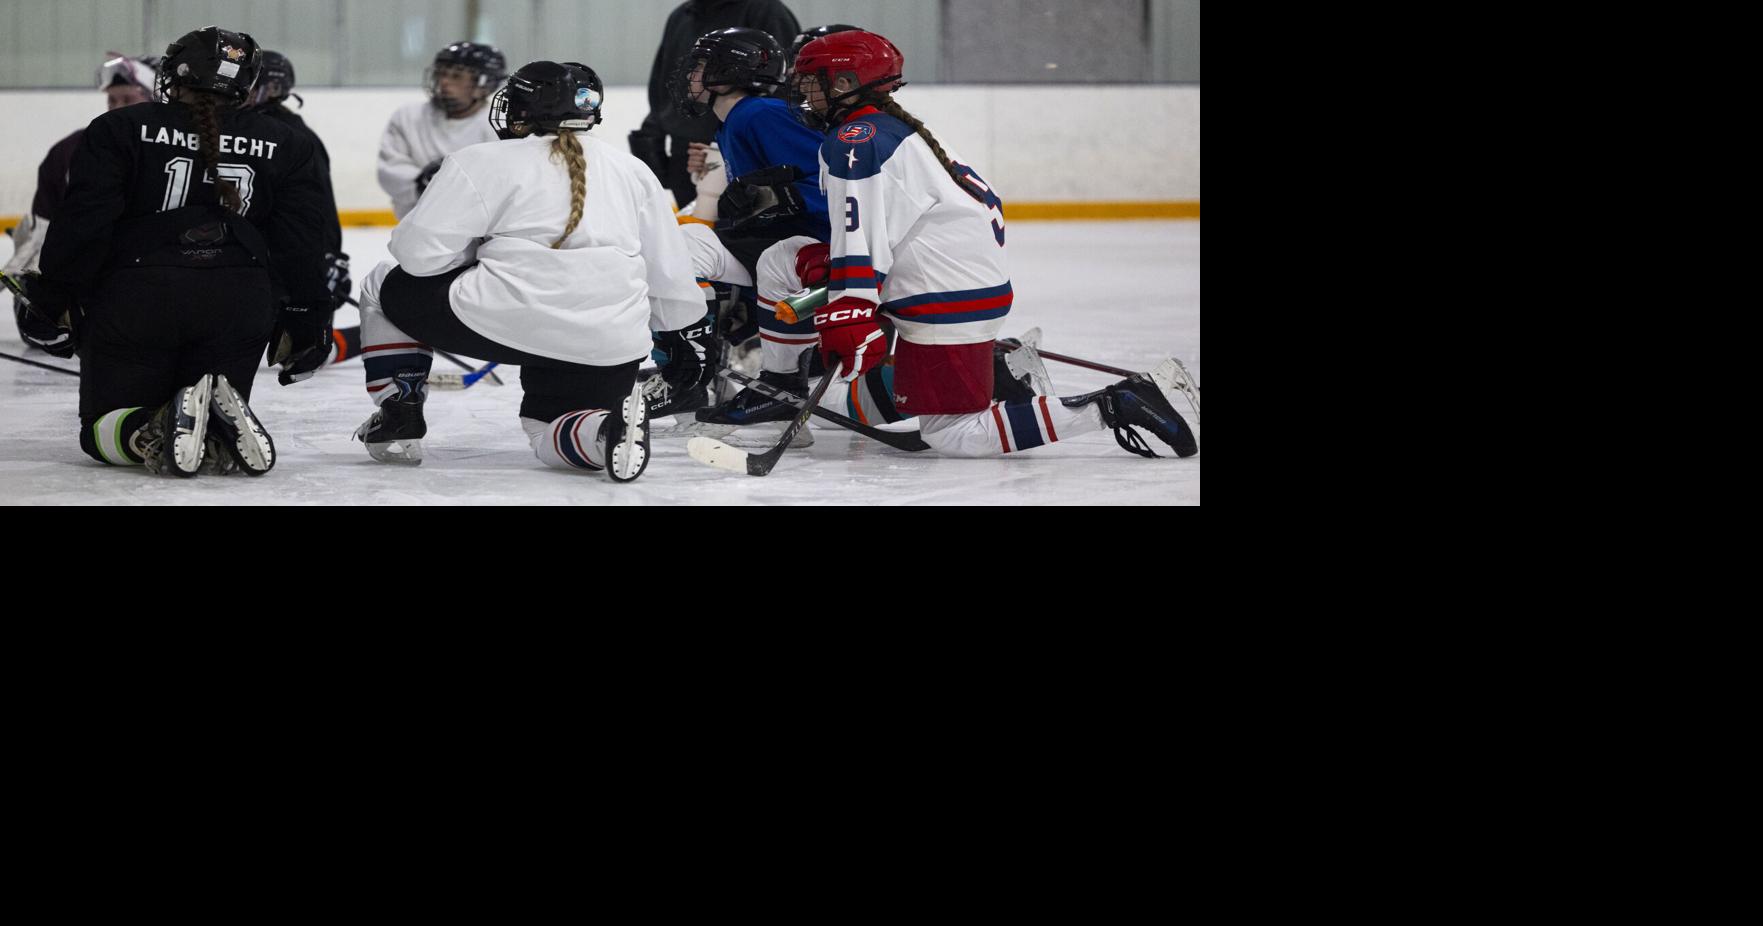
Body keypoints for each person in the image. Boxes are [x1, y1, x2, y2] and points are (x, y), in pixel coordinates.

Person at [775, 30, 1197, 459]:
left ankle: (1115, 404)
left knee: (955, 434)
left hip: (941, 299)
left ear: (844, 83)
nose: (803, 92)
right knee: (788, 270)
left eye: (811, 81)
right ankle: (993, 372)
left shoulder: (854, 142)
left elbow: (860, 237)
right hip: (955, 286)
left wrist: (853, 307)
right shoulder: (886, 128)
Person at [350, 61, 713, 481]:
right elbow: (670, 277)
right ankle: (605, 430)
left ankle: (401, 408)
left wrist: (473, 256)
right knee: (548, 431)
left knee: (383, 280)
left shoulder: (482, 160)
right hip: (611, 340)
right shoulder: (632, 170)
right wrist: (676, 339)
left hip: (500, 319)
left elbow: (417, 257)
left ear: (525, 109)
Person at [32, 25, 335, 477]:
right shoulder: (290, 142)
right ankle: (213, 426)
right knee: (201, 412)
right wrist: (308, 316)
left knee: (99, 431)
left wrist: (53, 297)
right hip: (240, 305)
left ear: (175, 73)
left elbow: (83, 225)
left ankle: (149, 427)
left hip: (137, 301)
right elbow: (303, 244)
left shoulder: (120, 127)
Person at [643, 26, 830, 422]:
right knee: (683, 245)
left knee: (685, 249)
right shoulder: (733, 121)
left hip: (805, 248)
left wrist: (792, 199)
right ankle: (687, 371)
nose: (690, 76)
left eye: (700, 66)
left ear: (729, 71)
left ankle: (691, 375)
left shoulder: (760, 113)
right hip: (771, 243)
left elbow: (834, 179)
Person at [5, 51, 160, 349]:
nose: (116, 109)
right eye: (111, 101)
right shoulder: (70, 150)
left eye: (127, 100)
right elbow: (44, 234)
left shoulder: (178, 148)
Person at [631, 0, 800, 208]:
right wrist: (653, 137)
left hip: (737, 152)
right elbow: (662, 85)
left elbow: (784, 86)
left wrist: (733, 146)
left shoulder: (766, 11)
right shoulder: (681, 16)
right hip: (686, 154)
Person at [246, 50, 355, 362]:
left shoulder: (290, 134)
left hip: (288, 263)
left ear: (274, 88)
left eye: (252, 85)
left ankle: (361, 338)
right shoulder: (251, 127)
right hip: (266, 258)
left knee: (295, 350)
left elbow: (317, 207)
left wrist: (326, 257)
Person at [376, 41, 505, 220]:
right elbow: (389, 170)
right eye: (441, 73)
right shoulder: (408, 117)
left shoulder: (500, 127)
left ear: (484, 85)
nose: (444, 82)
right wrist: (421, 183)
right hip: (415, 227)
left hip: (479, 230)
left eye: (457, 76)